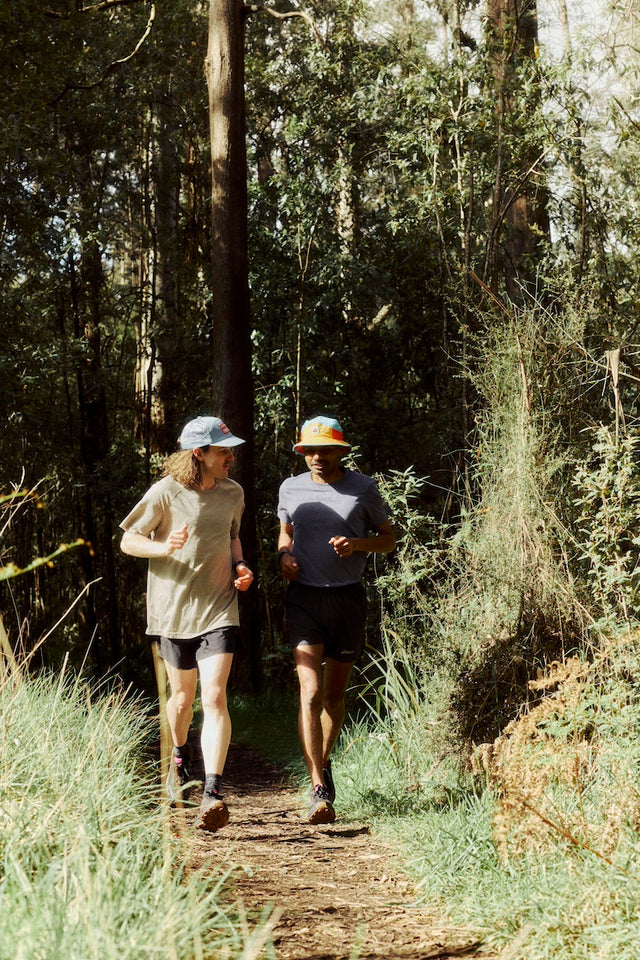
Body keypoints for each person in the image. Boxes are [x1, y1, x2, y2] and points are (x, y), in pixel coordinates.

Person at [119, 415, 254, 833]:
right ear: (200, 453)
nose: (230, 457)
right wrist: (162, 546)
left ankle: (212, 792)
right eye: (222, 450)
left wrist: (242, 565)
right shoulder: (165, 492)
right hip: (173, 611)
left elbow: (232, 537)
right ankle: (179, 758)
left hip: (219, 606)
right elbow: (128, 540)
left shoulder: (233, 492)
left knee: (214, 696)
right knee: (183, 698)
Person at [277, 416, 396, 824]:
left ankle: (322, 763)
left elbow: (389, 538)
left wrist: (356, 544)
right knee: (309, 693)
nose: (316, 457)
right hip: (304, 598)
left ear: (341, 452)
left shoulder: (362, 488)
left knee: (333, 696)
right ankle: (317, 787)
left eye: (325, 450)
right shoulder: (290, 487)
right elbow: (284, 532)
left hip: (347, 599)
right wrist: (284, 556)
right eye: (309, 450)